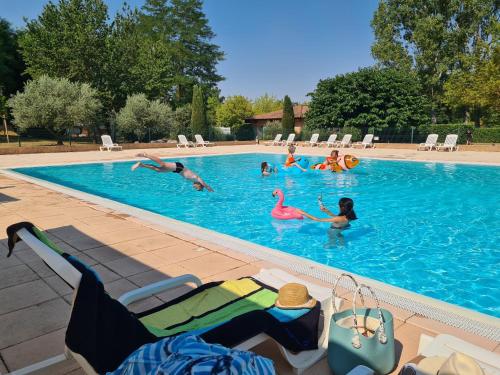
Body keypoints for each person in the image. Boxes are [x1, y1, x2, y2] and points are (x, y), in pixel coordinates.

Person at [131, 153, 214, 192]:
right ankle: (145, 155)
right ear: (199, 185)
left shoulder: (193, 180)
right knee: (162, 164)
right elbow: (203, 182)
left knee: (158, 170)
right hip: (179, 167)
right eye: (197, 188)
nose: (194, 187)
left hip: (176, 170)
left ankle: (141, 165)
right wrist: (208, 188)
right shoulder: (196, 178)